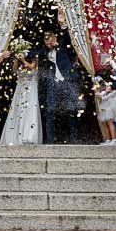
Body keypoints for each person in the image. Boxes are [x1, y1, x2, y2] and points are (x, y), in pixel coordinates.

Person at [33, 15, 83, 144]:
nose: (49, 45)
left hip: (68, 82)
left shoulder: (62, 44)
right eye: (47, 43)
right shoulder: (45, 50)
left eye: (51, 42)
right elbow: (34, 52)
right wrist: (21, 52)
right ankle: (49, 139)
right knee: (50, 110)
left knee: (72, 109)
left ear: (55, 38)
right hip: (54, 83)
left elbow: (66, 36)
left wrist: (63, 24)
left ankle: (74, 138)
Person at [1, 52, 43, 145]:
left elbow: (31, 67)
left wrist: (23, 60)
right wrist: (16, 59)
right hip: (20, 88)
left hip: (31, 89)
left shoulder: (34, 60)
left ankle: (29, 135)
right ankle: (14, 136)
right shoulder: (19, 62)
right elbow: (15, 69)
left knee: (29, 110)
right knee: (17, 110)